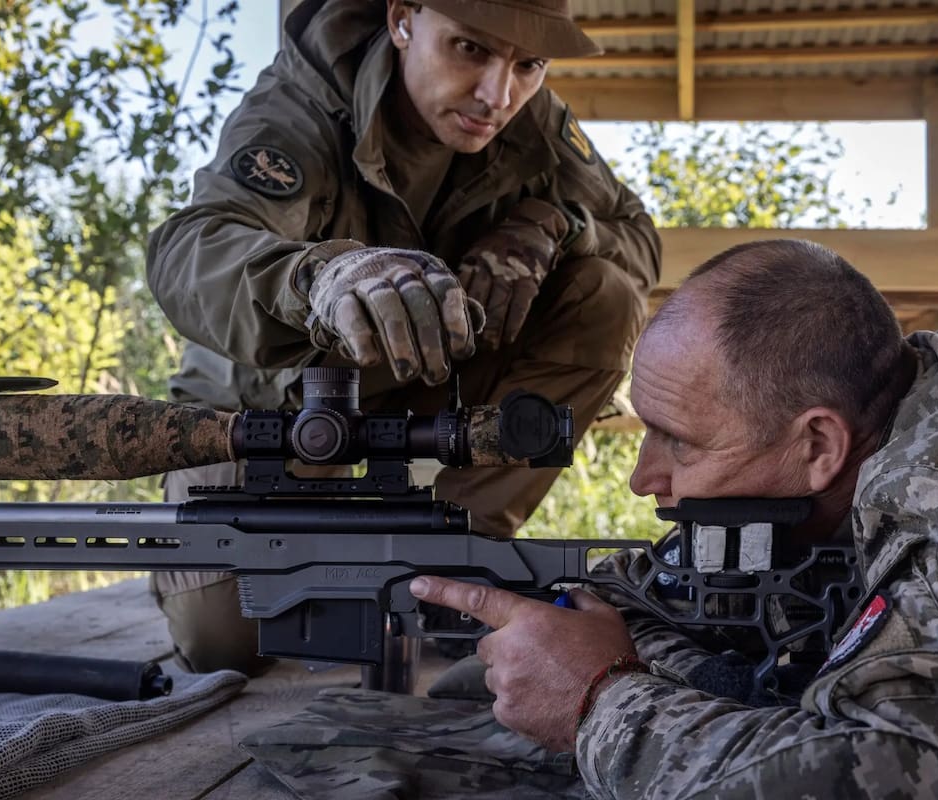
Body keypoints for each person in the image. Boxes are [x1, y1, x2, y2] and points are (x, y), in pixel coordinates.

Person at [401, 238, 938, 797]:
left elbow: (903, 775)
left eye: (679, 442)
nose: (642, 478)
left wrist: (599, 705)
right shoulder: (916, 388)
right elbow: (661, 593)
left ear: (818, 444)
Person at [144, 0, 660, 675]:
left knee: (607, 295)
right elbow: (189, 251)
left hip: (428, 390)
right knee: (228, 646)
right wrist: (323, 278)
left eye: (528, 64)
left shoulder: (533, 121)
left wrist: (552, 225)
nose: (497, 95)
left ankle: (460, 550)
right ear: (403, 20)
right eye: (470, 49)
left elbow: (639, 242)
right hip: (265, 410)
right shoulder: (303, 103)